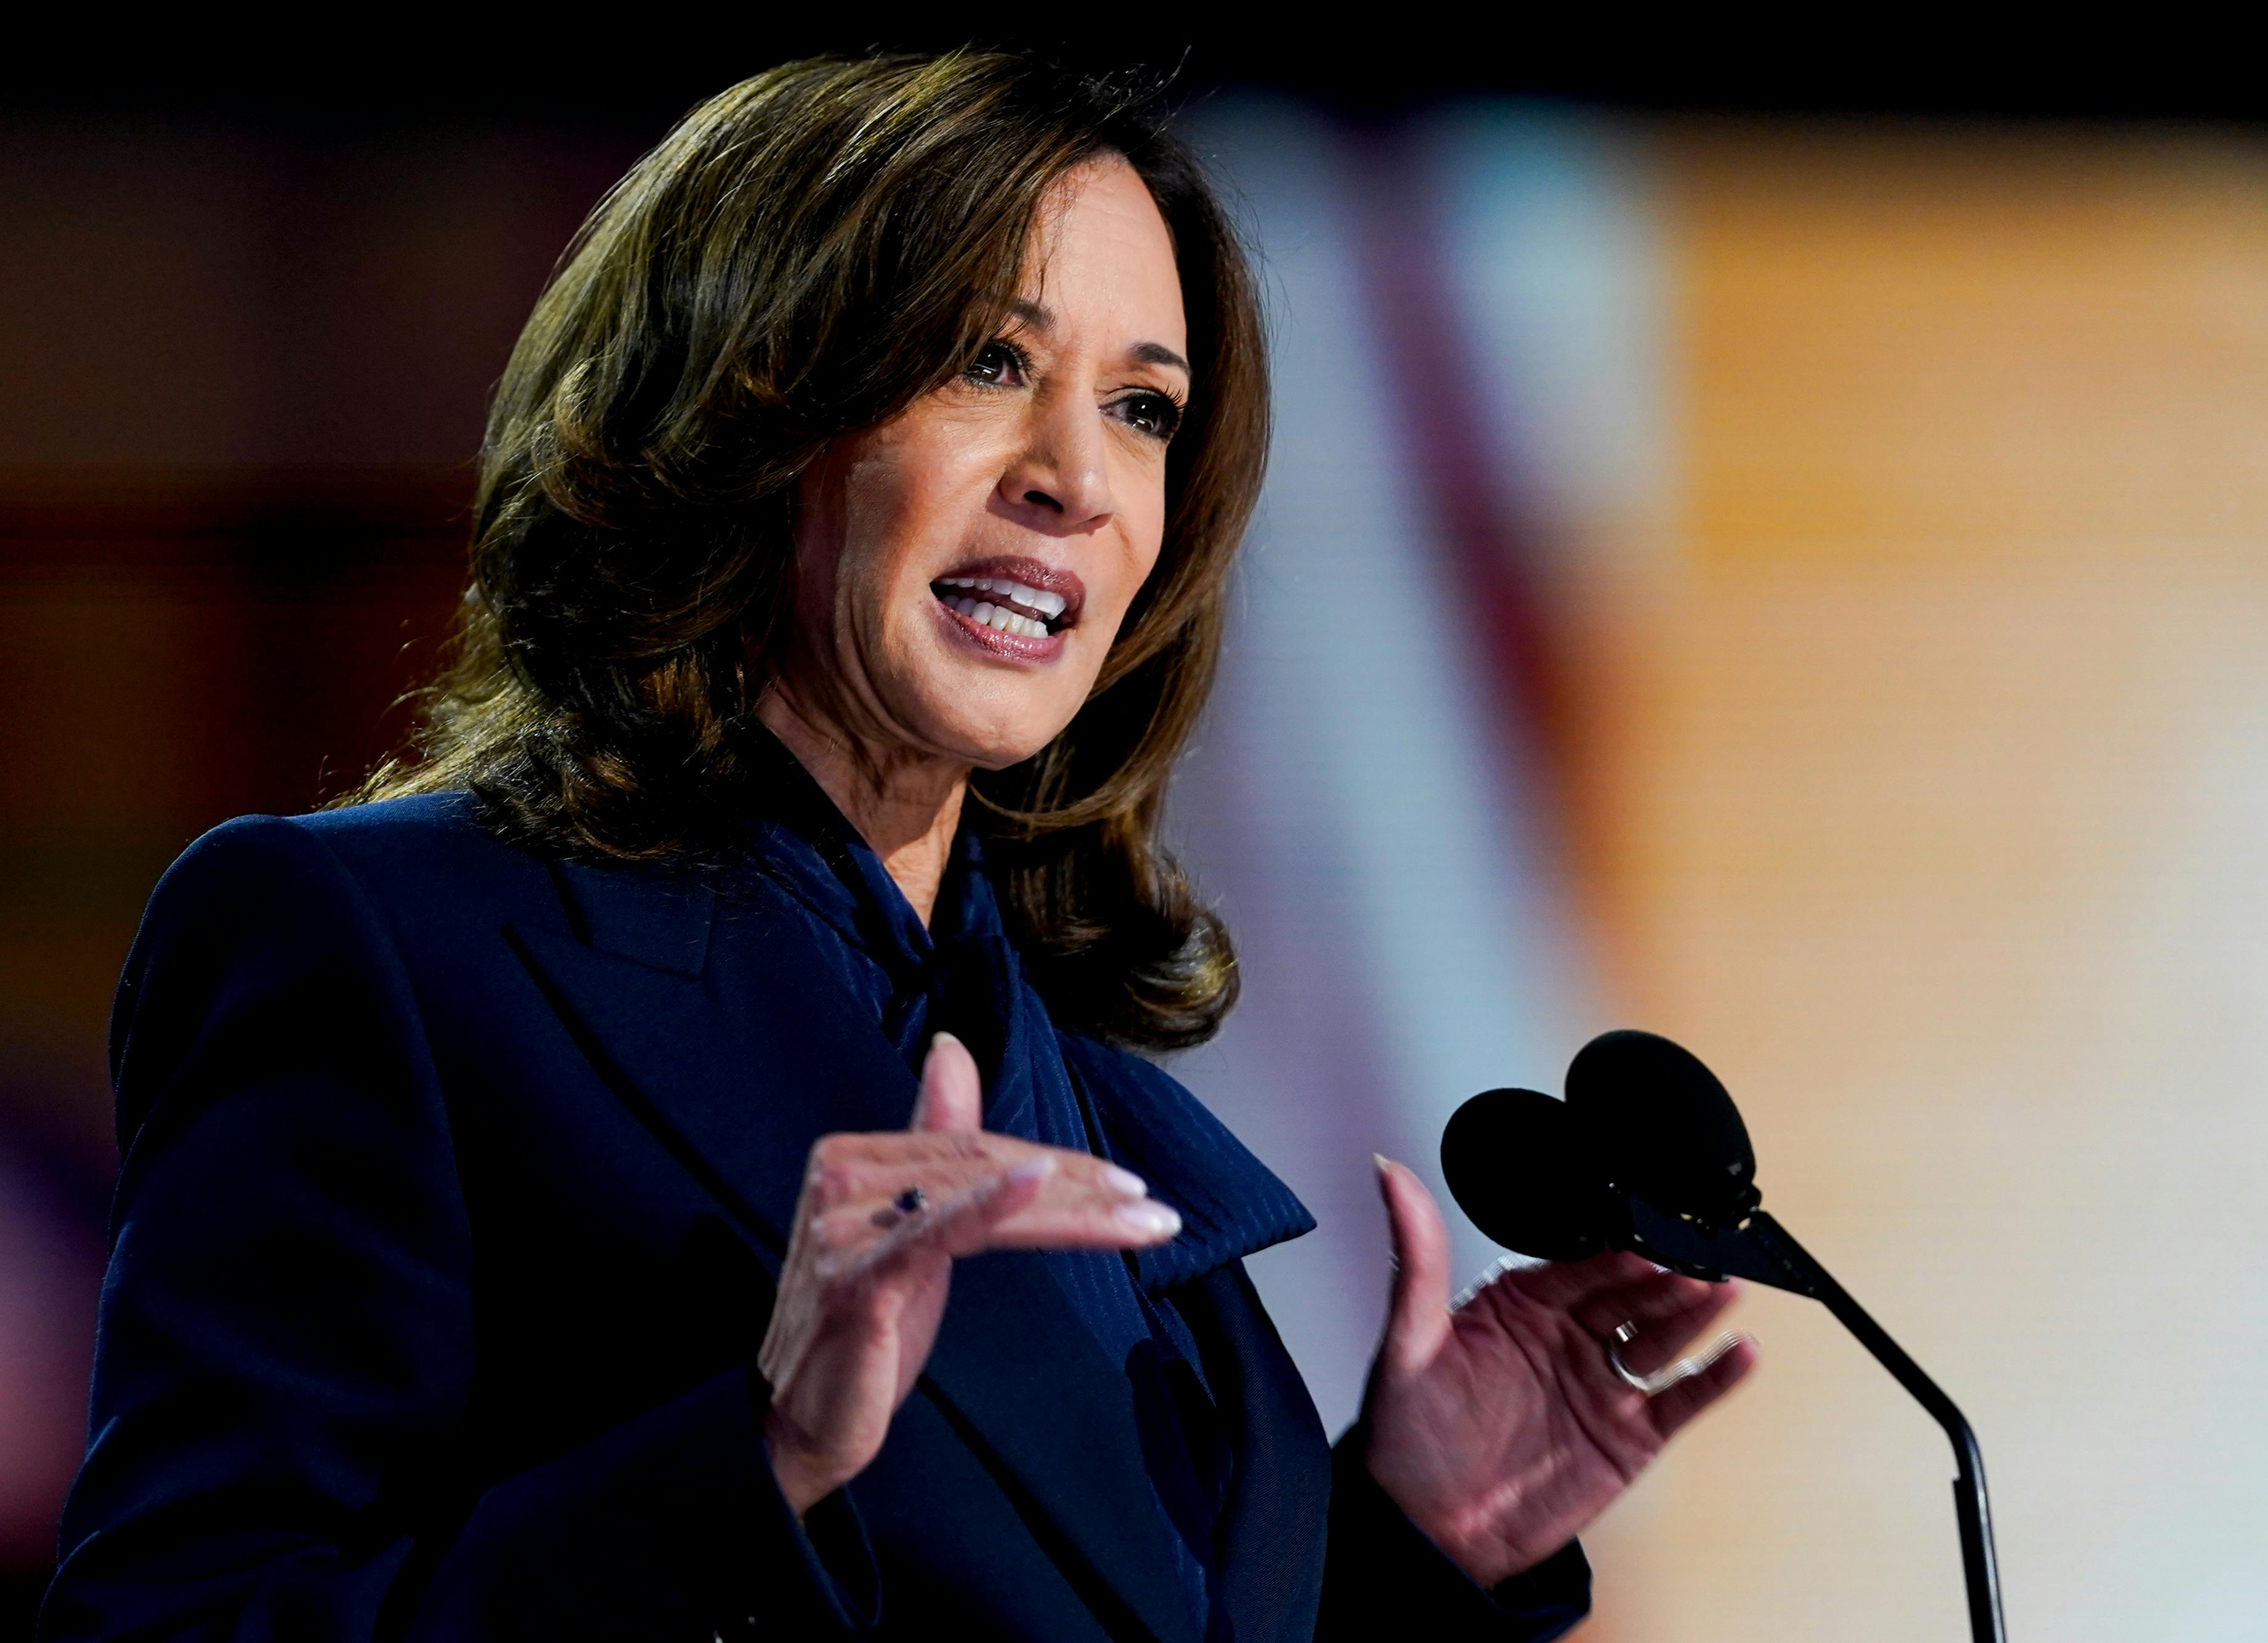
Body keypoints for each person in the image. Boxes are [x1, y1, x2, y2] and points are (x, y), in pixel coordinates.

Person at [39, 52, 1754, 1643]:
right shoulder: (379, 948)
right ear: (743, 405)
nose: (1078, 476)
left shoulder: (1092, 1097)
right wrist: (759, 1458)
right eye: (986, 362)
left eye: (1145, 410)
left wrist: (1406, 1546)